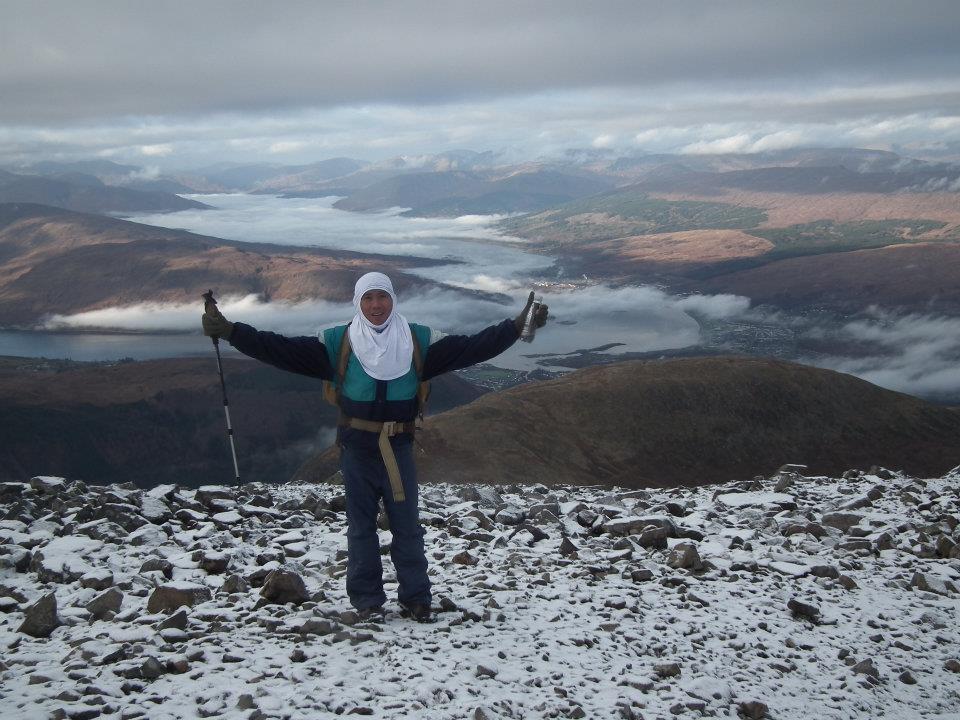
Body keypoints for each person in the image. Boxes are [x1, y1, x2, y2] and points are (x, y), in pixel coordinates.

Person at [201, 272, 548, 622]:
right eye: (368, 298)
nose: (376, 305)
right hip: (357, 447)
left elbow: (473, 346)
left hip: (398, 446)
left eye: (382, 297)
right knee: (361, 526)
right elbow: (280, 349)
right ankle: (367, 601)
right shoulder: (337, 342)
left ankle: (416, 598)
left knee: (407, 524)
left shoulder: (417, 340)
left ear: (392, 299)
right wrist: (232, 332)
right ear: (358, 302)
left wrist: (516, 327)